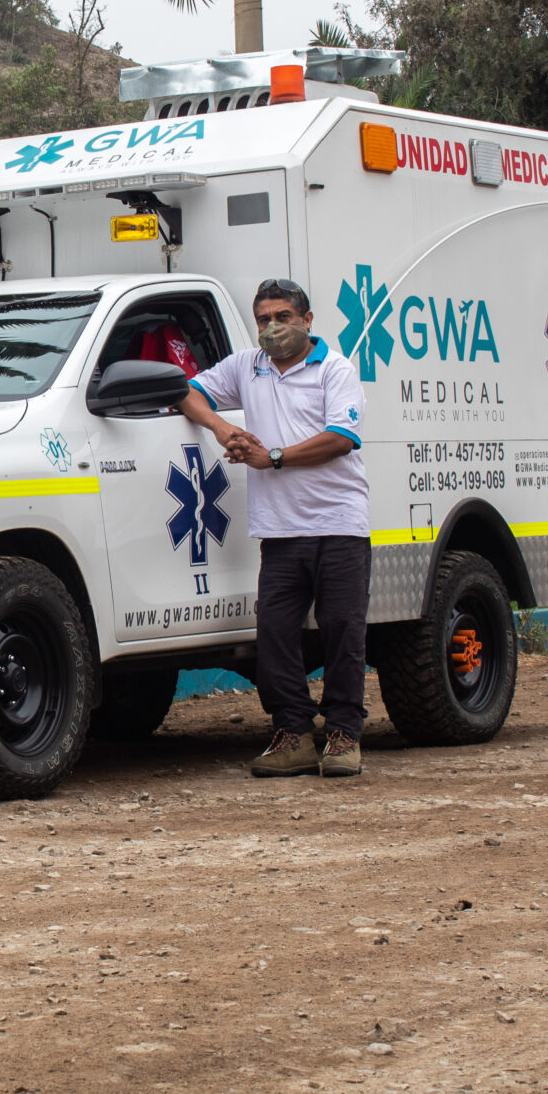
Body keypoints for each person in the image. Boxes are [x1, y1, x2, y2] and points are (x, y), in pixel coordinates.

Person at [177, 278, 371, 779]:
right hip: (281, 532)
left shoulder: (335, 369)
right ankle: (293, 735)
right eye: (263, 318)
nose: (272, 327)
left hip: (339, 525)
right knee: (276, 636)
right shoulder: (248, 365)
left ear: (307, 320)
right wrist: (225, 428)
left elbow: (342, 437)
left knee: (342, 631)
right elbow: (188, 391)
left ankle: (345, 734)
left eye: (283, 317)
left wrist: (273, 457)